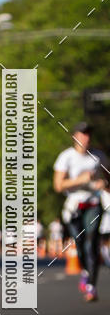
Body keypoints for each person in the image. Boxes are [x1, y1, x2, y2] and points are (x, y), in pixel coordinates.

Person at [53, 121, 109, 302]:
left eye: (89, 134)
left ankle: (91, 286)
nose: (87, 137)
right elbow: (58, 185)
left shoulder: (98, 156)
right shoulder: (66, 157)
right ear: (75, 136)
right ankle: (86, 270)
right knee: (80, 244)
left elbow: (108, 178)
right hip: (74, 205)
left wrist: (104, 183)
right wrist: (80, 180)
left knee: (92, 243)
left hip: (93, 203)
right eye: (83, 134)